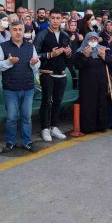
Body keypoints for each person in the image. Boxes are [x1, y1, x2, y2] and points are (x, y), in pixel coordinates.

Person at [0, 21, 40, 152]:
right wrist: (8, 62)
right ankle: (10, 142)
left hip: (28, 87)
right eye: (15, 29)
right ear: (10, 31)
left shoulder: (30, 47)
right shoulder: (3, 46)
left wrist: (33, 63)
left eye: (20, 29)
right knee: (11, 118)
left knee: (27, 118)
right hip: (11, 88)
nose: (18, 32)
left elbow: (37, 66)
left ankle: (27, 142)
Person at [34, 8, 72, 142]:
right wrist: (50, 54)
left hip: (61, 73)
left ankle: (54, 126)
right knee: (46, 102)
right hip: (47, 73)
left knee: (58, 102)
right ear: (49, 19)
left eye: (58, 18)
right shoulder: (42, 35)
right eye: (53, 18)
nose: (55, 20)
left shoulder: (65, 36)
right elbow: (35, 55)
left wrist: (68, 53)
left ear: (62, 19)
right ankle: (44, 128)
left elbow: (69, 59)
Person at [75, 32, 112, 133]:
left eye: (95, 39)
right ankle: (88, 128)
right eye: (90, 39)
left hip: (101, 83)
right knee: (88, 105)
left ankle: (101, 126)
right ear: (86, 40)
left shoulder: (102, 49)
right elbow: (78, 66)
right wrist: (86, 55)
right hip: (87, 84)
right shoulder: (80, 51)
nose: (93, 41)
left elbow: (111, 64)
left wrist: (104, 56)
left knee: (101, 104)